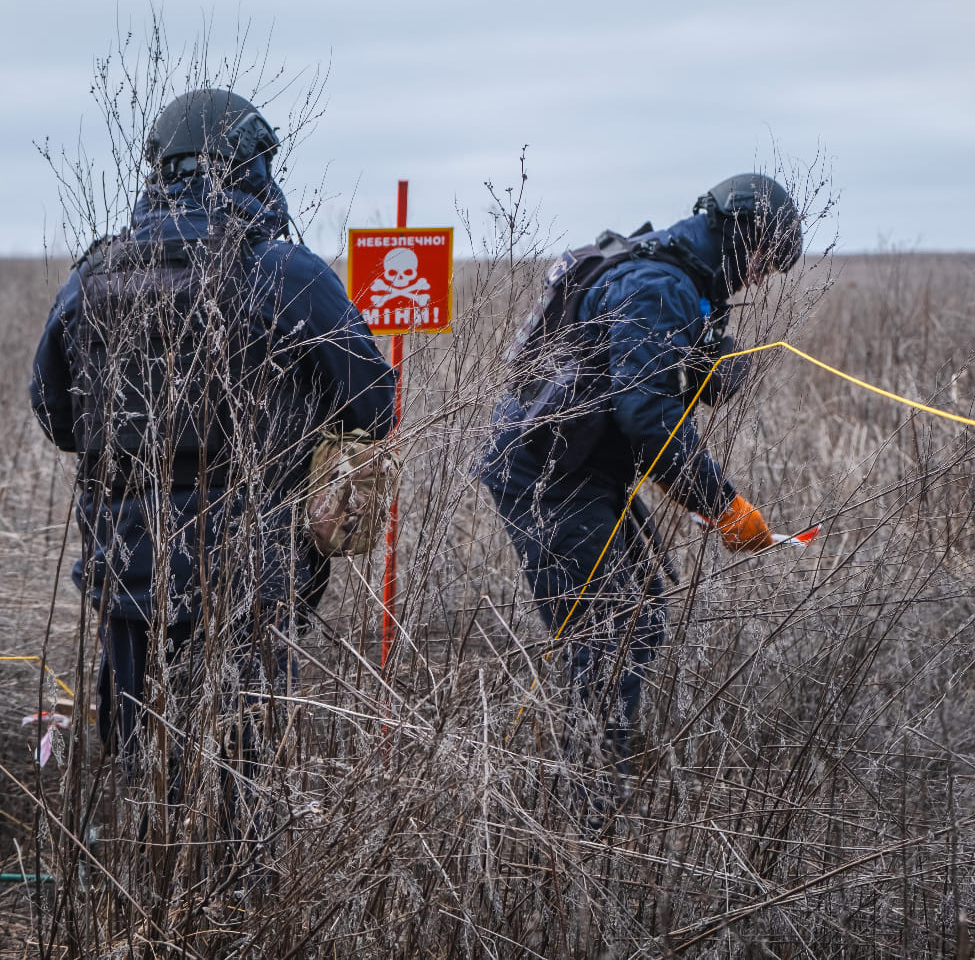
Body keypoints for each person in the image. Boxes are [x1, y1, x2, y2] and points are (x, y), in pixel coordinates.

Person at [29, 89, 396, 828]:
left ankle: (147, 884)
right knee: (239, 755)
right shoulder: (285, 270)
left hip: (124, 558)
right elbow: (377, 408)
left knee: (138, 743)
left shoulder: (90, 278)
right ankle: (235, 905)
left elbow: (57, 417)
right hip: (251, 560)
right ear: (254, 166)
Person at [480, 172, 803, 793]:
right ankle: (589, 804)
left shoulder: (679, 274)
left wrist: (709, 366)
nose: (763, 276)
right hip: (548, 478)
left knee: (642, 611)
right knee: (608, 633)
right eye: (766, 259)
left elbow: (643, 379)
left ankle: (591, 776)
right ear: (740, 234)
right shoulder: (659, 284)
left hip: (579, 466)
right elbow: (647, 417)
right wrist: (723, 506)